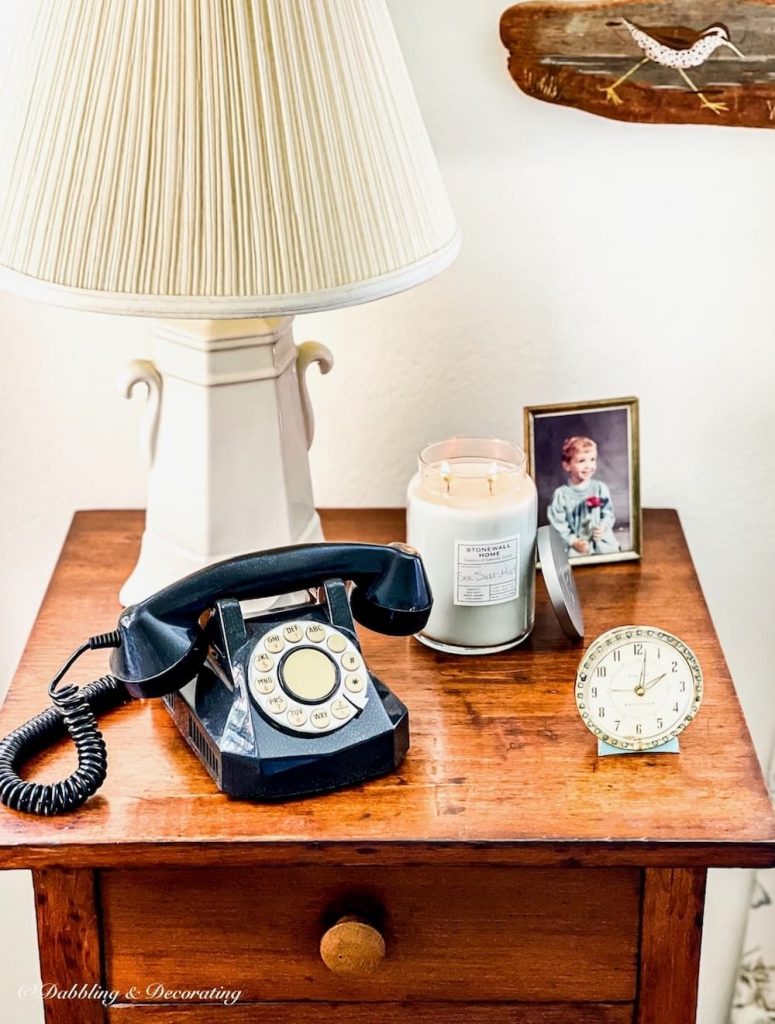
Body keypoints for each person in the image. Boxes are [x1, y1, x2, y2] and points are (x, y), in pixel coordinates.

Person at [547, 436, 620, 557]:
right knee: (572, 560)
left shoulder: (600, 488)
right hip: (576, 542)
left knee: (610, 553)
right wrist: (573, 541)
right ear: (567, 465)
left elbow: (608, 513)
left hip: (599, 538)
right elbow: (558, 523)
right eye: (581, 461)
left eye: (592, 459)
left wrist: (602, 527)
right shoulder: (561, 494)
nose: (588, 466)